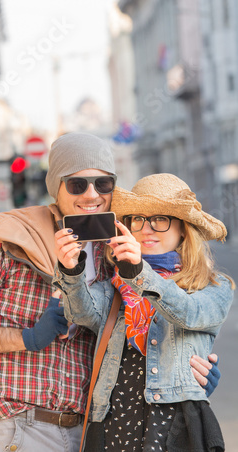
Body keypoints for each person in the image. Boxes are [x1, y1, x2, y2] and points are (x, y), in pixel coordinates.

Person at [0, 134, 219, 452]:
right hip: (14, 424)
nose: (92, 194)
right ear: (56, 187)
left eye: (103, 184)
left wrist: (190, 372)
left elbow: (142, 338)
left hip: (87, 432)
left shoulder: (114, 257)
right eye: (77, 184)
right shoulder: (4, 240)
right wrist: (26, 337)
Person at [54, 173, 235, 452]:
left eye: (160, 219)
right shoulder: (114, 287)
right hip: (113, 422)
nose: (146, 229)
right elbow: (81, 313)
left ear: (183, 229)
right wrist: (71, 270)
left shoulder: (214, 286)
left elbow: (190, 313)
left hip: (175, 424)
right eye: (137, 219)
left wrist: (139, 273)